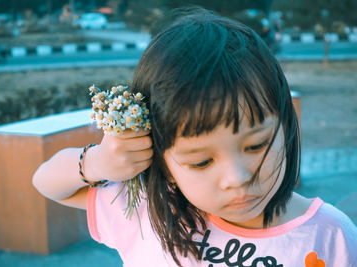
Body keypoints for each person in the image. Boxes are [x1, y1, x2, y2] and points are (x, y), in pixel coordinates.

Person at [33, 7, 357, 267]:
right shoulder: (148, 211)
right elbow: (46, 183)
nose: (237, 178)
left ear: (286, 125)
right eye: (201, 161)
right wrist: (98, 162)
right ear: (162, 160)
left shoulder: (331, 235)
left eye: (256, 145)